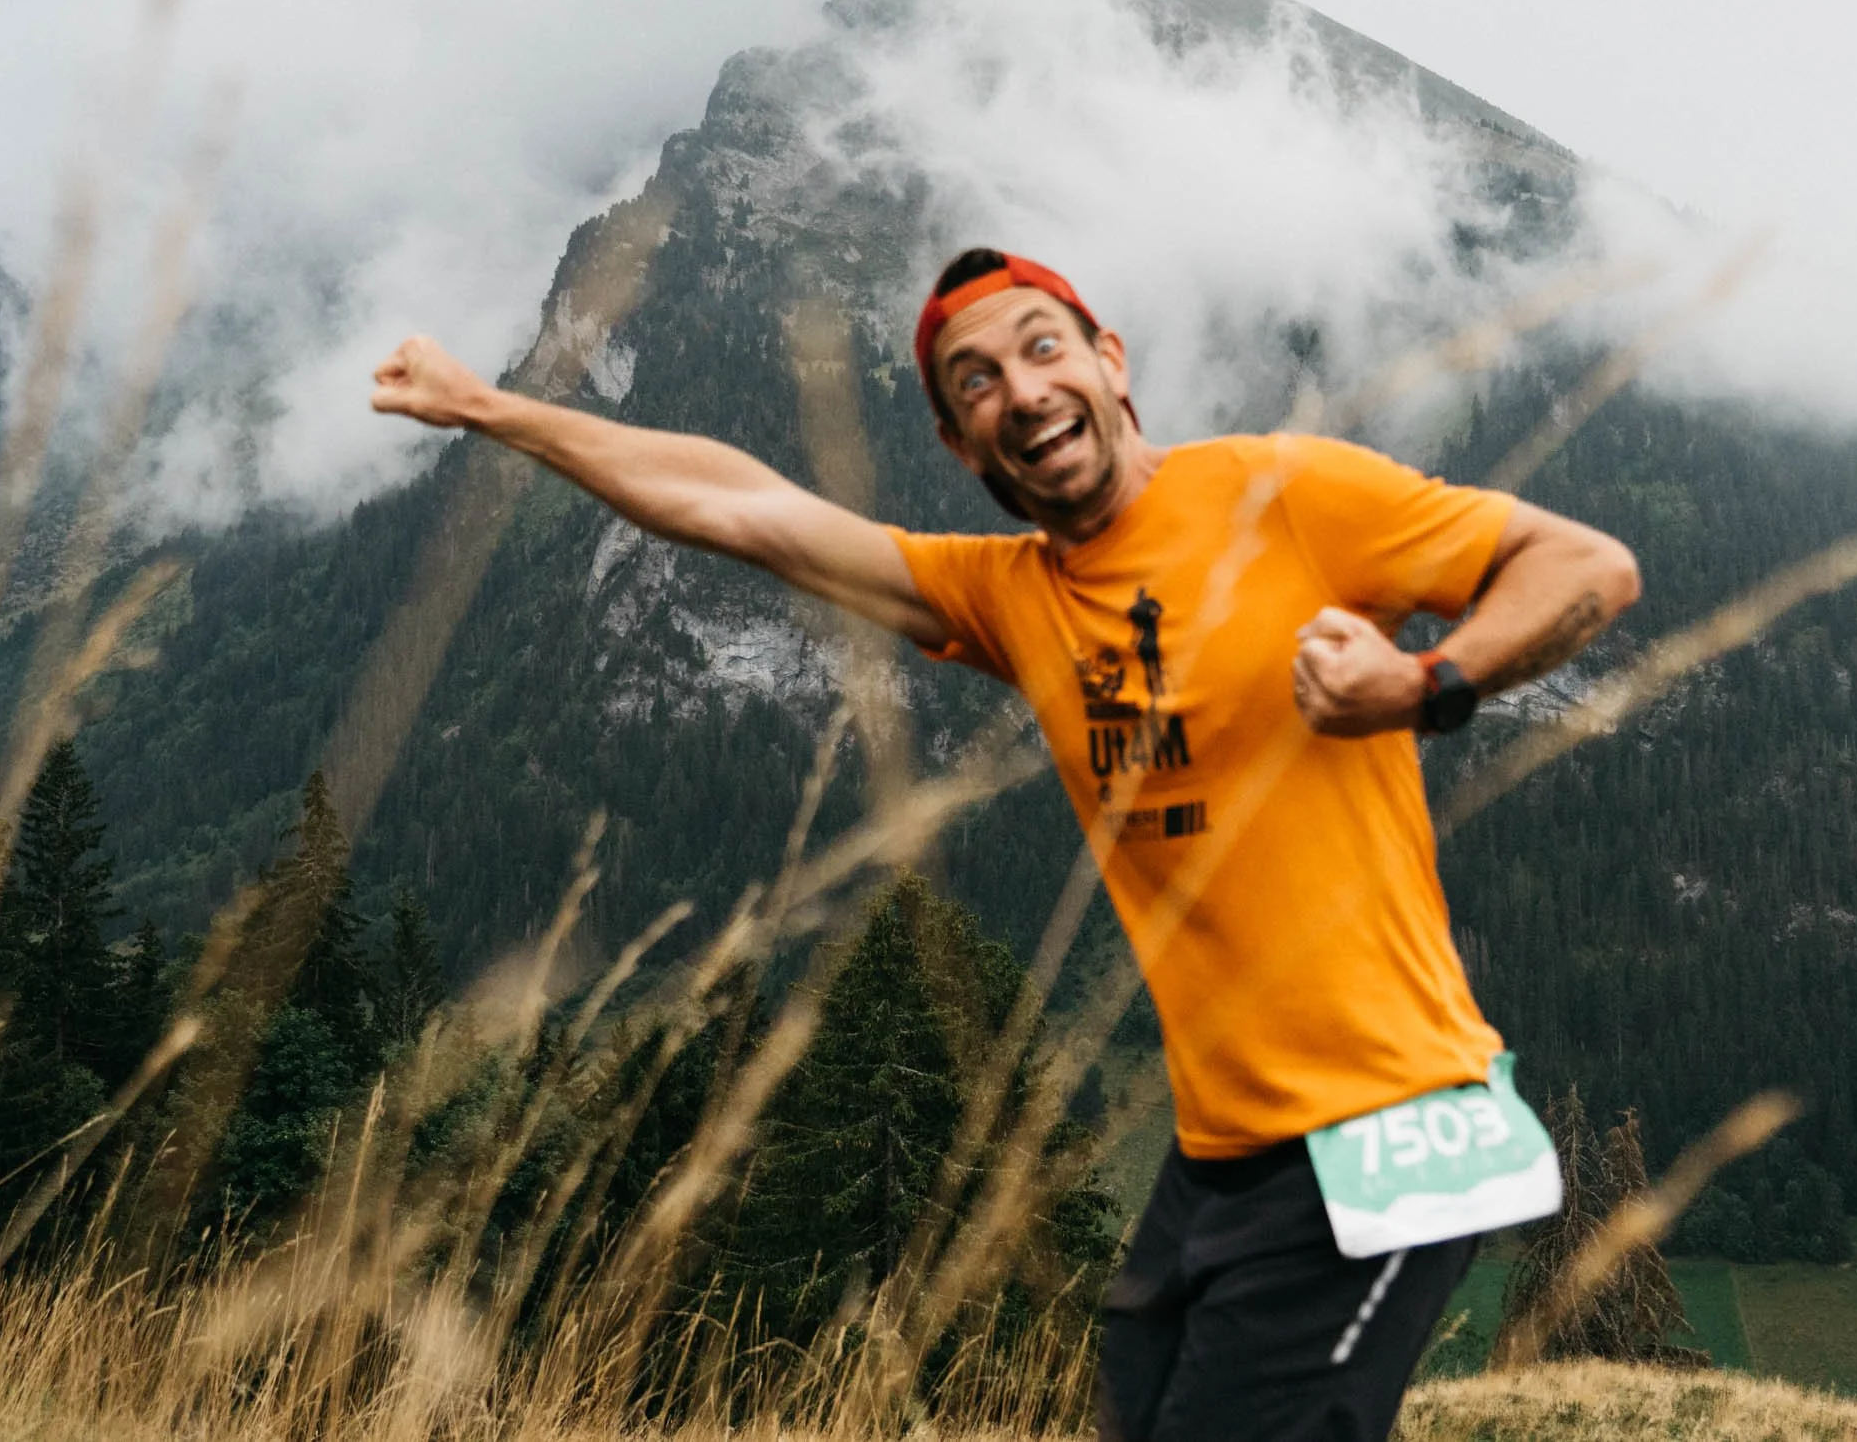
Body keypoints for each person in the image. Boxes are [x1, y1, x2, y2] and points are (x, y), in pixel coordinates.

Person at [372, 247, 1640, 1439]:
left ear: (1109, 360)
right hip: (1220, 1158)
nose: (1021, 391)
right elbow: (737, 506)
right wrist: (492, 408)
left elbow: (1583, 564)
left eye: (1042, 348)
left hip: (1386, 1129)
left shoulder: (1288, 494)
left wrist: (1423, 683)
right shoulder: (1007, 594)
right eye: (974, 381)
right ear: (956, 439)